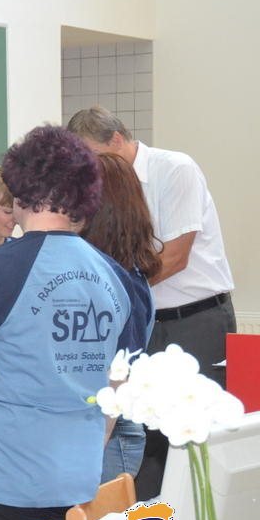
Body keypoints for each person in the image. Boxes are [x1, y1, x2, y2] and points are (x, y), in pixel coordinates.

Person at [0, 126, 137, 520]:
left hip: (3, 483)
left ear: (20, 187)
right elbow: (116, 392)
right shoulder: (120, 280)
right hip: (80, 480)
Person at [67, 106, 235, 498]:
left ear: (117, 140)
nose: (92, 170)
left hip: (194, 320)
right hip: (142, 323)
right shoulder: (103, 189)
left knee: (192, 439)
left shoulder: (175, 169)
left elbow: (175, 257)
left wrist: (116, 295)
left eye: (94, 156)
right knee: (142, 437)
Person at [80, 152, 162, 481]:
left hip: (110, 434)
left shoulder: (123, 282)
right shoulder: (122, 274)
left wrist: (93, 443)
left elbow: (119, 372)